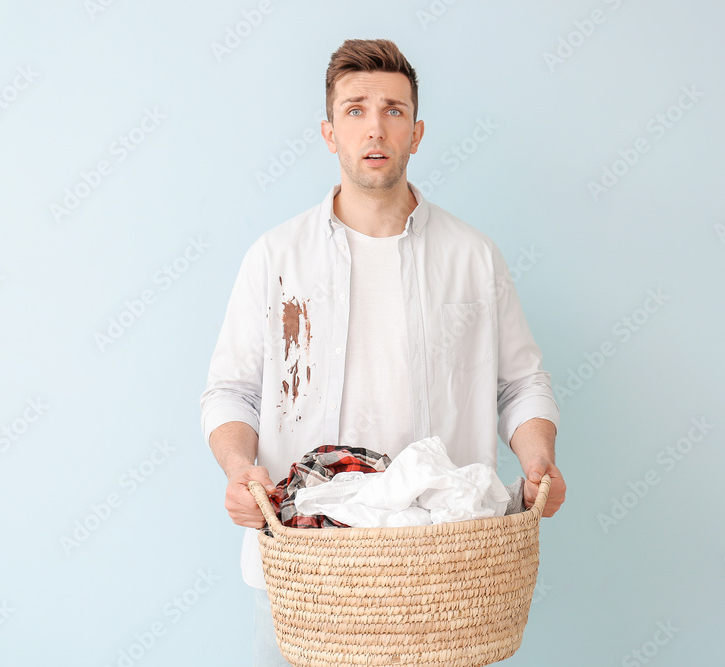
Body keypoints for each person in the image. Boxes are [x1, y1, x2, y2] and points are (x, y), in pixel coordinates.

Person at [200, 38, 565, 666]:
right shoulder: (275, 258)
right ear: (328, 131)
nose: (375, 127)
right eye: (356, 109)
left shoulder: (472, 257)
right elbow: (231, 391)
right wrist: (239, 471)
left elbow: (521, 385)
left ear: (417, 133)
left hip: (442, 575)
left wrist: (539, 464)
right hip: (305, 569)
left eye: (394, 110)